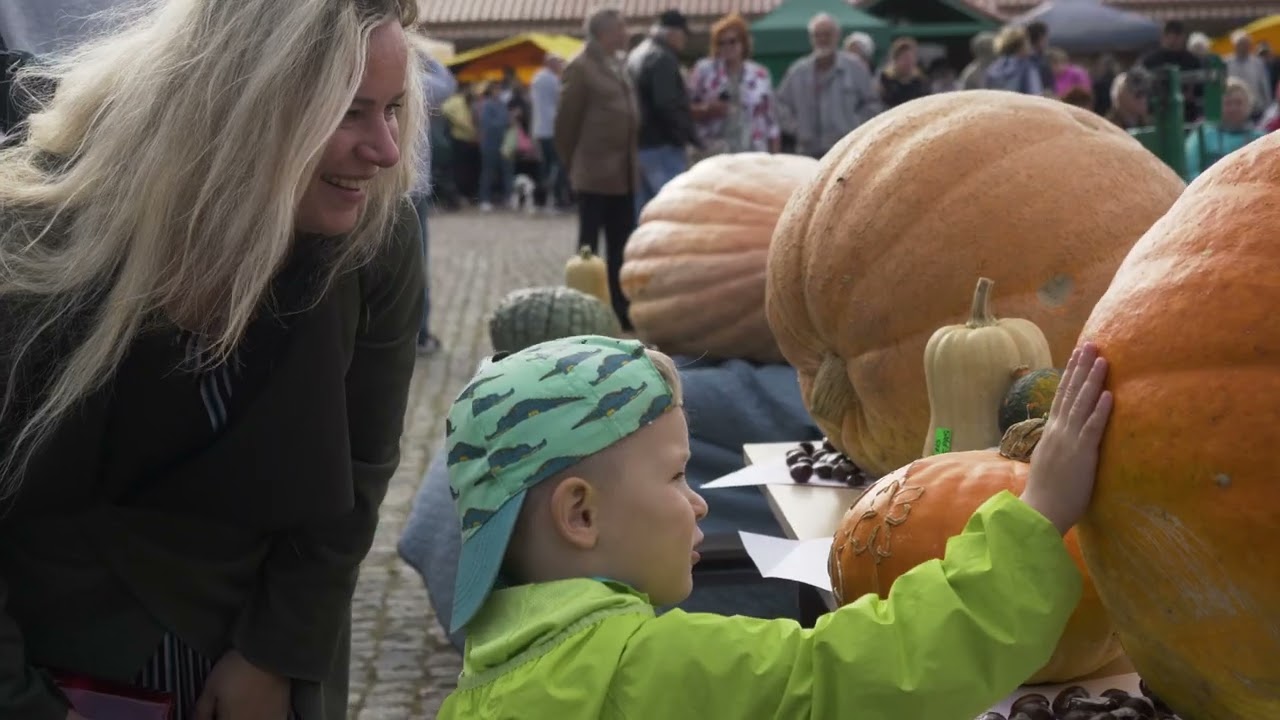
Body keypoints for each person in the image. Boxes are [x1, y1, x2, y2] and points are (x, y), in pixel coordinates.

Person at [0, 0, 424, 718]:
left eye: (394, 111)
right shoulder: (38, 231)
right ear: (242, 101)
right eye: (349, 112)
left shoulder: (374, 240)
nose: (384, 151)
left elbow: (359, 476)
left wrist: (276, 653)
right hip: (59, 660)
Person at [436, 335, 1114, 718]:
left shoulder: (488, 682)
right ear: (580, 514)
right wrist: (1037, 514)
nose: (699, 503)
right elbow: (867, 673)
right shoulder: (639, 671)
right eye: (676, 477)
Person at [555, 6, 639, 330]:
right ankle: (584, 311)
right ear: (605, 33)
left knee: (620, 244)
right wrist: (574, 164)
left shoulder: (618, 64)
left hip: (623, 173)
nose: (626, 33)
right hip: (594, 174)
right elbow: (565, 124)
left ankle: (619, 308)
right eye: (622, 28)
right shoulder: (581, 67)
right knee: (589, 249)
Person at [775, 12, 881, 159]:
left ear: (837, 35)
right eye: (818, 35)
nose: (823, 39)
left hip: (847, 152)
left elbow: (873, 103)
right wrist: (797, 128)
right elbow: (779, 105)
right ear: (811, 38)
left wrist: (854, 124)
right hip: (808, 154)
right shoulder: (797, 72)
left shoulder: (855, 67)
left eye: (827, 34)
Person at [628, 9, 700, 217]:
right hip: (662, 146)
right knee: (670, 214)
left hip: (641, 146)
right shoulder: (663, 58)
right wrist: (687, 137)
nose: (685, 41)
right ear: (673, 34)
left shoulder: (637, 53)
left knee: (643, 214)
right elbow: (666, 105)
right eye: (683, 35)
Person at [411, 44, 458, 356]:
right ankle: (420, 334)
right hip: (411, 188)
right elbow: (448, 83)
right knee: (415, 266)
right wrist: (423, 55)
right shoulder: (414, 81)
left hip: (388, 186)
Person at [687, 12, 780, 160]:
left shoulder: (760, 74)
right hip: (715, 153)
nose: (726, 46)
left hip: (753, 152)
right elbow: (685, 109)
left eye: (732, 41)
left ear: (743, 43)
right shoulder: (704, 71)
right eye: (721, 42)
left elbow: (771, 122)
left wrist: (775, 159)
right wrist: (708, 109)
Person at [1184, 77, 1265, 181]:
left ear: (1249, 106)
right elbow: (1190, 171)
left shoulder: (1260, 138)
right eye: (1228, 103)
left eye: (1238, 103)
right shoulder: (1202, 136)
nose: (1233, 108)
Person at [1139, 20, 1203, 124]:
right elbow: (1142, 87)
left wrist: (1191, 94)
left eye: (1178, 35)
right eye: (1170, 35)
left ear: (1183, 37)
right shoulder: (1150, 61)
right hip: (1158, 114)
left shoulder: (1192, 61)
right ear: (1163, 36)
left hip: (1187, 115)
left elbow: (1200, 89)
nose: (1174, 39)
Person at [529, 54, 568, 211]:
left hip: (539, 128)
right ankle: (559, 199)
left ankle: (540, 199)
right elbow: (561, 102)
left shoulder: (536, 79)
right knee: (559, 165)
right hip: (553, 128)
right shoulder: (553, 81)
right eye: (558, 63)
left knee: (544, 166)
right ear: (551, 64)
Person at [985, 25, 1044, 96]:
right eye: (1026, 43)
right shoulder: (1027, 67)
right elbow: (1035, 94)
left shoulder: (994, 67)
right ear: (1020, 46)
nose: (1029, 46)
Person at [877, 36, 930, 108]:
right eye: (904, 58)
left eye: (911, 58)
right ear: (896, 59)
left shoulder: (920, 81)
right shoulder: (886, 79)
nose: (908, 62)